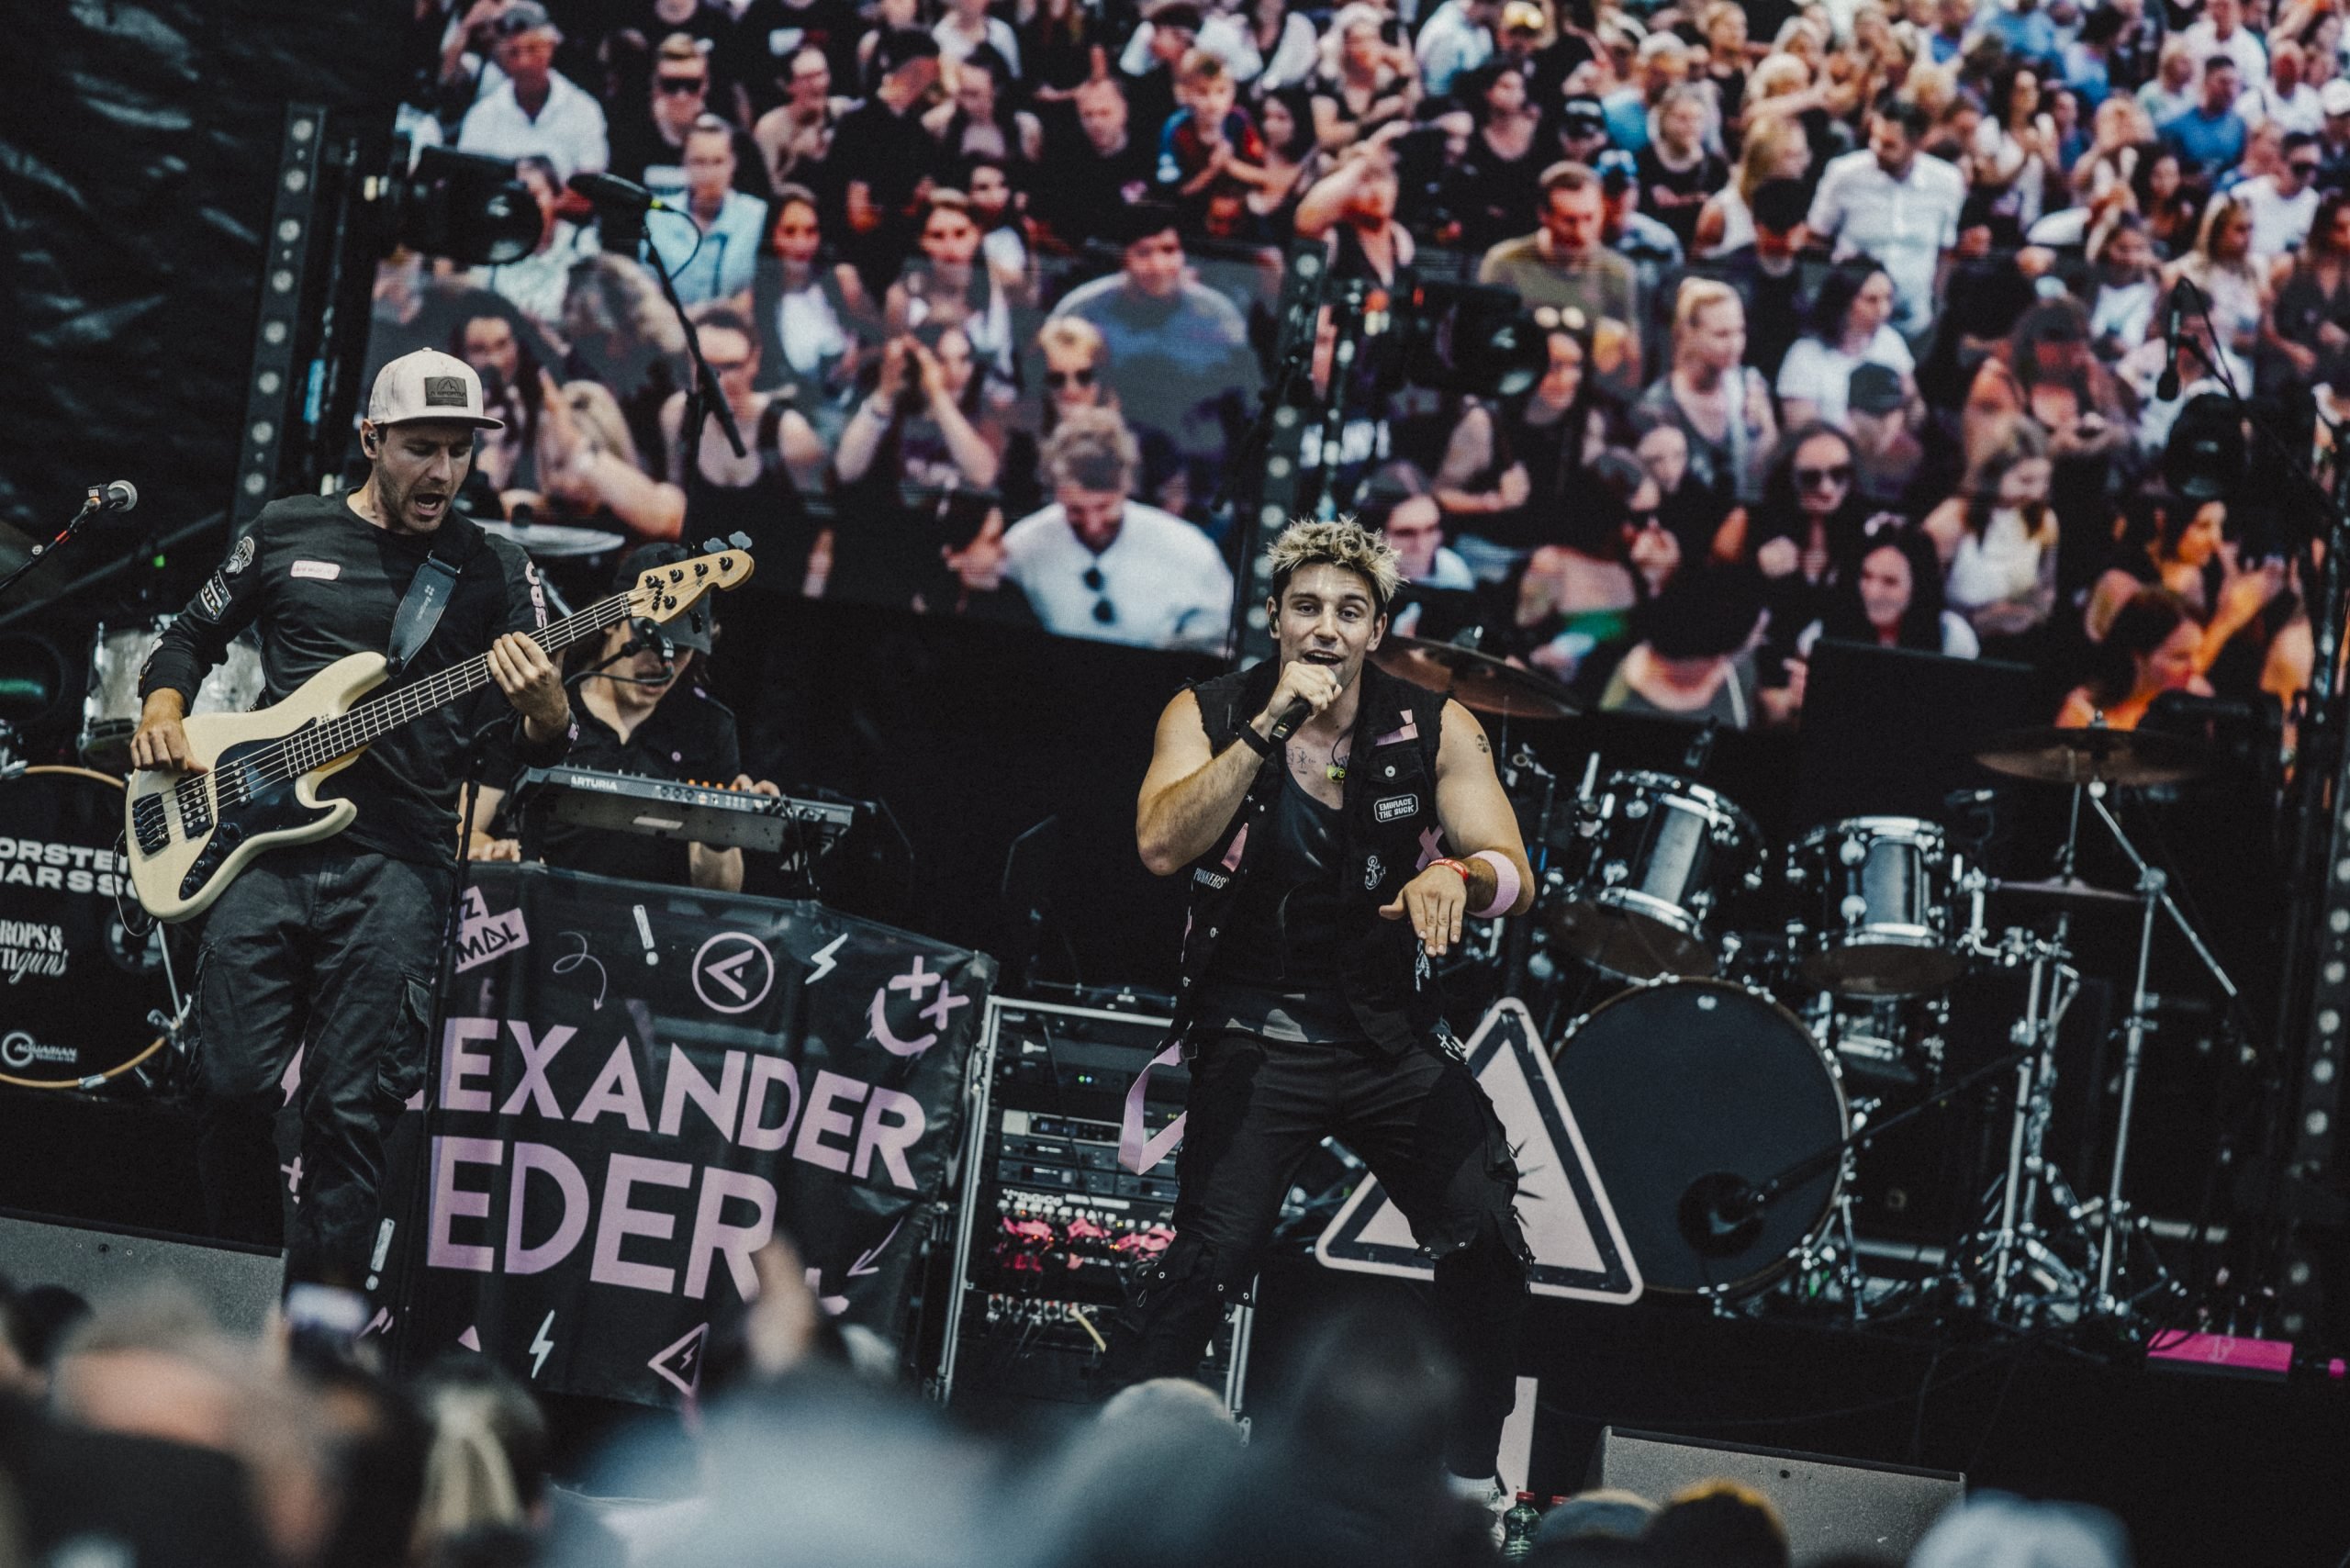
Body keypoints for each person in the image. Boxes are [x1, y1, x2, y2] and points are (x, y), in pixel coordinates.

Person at [129, 350, 573, 1292]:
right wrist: (164, 710)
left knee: (350, 1112)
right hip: (256, 846)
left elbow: (537, 743)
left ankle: (319, 1334)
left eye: (459, 452)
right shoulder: (288, 528)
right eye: (422, 448)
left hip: (400, 868)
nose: (443, 472)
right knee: (227, 1085)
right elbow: (189, 636)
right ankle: (243, 1293)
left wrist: (548, 713)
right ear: (371, 439)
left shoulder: (494, 567)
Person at [1118, 516, 1534, 1513]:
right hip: (1255, 1028)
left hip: (1387, 1032)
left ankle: (1469, 1483)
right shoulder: (1208, 711)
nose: (1326, 627)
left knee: (1484, 1236)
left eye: (1350, 611)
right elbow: (1161, 844)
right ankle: (1120, 1466)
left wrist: (1459, 877)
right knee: (1204, 1263)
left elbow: (1514, 869)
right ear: (1274, 618)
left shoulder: (1436, 725)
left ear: (1376, 630)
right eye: (1306, 606)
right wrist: (1265, 728)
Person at [467, 544, 773, 890]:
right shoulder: (538, 703)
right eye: (651, 641)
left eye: (682, 649)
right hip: (533, 907)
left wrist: (722, 829)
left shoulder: (708, 727)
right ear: (611, 622)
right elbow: (465, 830)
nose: (664, 664)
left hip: (651, 920)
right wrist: (497, 854)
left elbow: (721, 890)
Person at [1050, 206, 1261, 494]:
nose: (1159, 265)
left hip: (1199, 472)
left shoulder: (1219, 317)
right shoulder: (1081, 311)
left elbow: (1248, 407)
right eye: (1144, 253)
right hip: (1106, 474)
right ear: (1123, 257)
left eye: (1169, 250)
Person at [1000, 409, 1234, 650]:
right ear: (1057, 494)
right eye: (1076, 510)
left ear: (1126, 486)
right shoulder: (1022, 546)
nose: (1092, 525)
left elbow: (1220, 628)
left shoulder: (1188, 548)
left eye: (1104, 507)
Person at [1806, 98, 1966, 337]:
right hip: (1852, 321)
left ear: (1916, 143)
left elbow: (1945, 250)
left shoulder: (1948, 181)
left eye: (1889, 144)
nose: (1877, 148)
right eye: (1874, 138)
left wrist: (1936, 304)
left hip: (1913, 319)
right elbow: (1816, 238)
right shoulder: (1844, 174)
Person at [1478, 162, 1643, 386]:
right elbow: (1482, 345)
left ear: (1603, 210)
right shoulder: (1506, 263)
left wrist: (1618, 350)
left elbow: (1633, 368)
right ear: (1543, 215)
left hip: (1584, 388)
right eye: (1569, 220)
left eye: (1590, 218)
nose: (1581, 233)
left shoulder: (1617, 272)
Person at [1637, 280, 1776, 513]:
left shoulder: (1751, 387)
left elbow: (1768, 480)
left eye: (1740, 331)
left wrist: (1765, 427)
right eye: (1721, 334)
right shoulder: (1657, 407)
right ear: (1689, 333)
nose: (1735, 344)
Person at [1924, 420, 2062, 650]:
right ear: (1993, 473)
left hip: (2019, 643)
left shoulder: (2044, 521)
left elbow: (2046, 591)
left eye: (2044, 481)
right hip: (1955, 642)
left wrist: (2027, 613)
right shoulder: (1951, 521)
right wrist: (1979, 619)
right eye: (2026, 481)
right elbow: (1923, 599)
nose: (2036, 493)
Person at [454, 2, 610, 182]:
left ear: (550, 47)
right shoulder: (482, 116)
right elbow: (467, 182)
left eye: (533, 49)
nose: (524, 62)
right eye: (514, 52)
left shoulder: (584, 111)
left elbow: (590, 184)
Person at [1775, 262, 1918, 430]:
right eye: (1871, 300)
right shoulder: (1804, 355)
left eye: (1888, 298)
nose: (1883, 310)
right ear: (1844, 302)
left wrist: (1908, 408)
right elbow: (1802, 430)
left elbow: (1914, 406)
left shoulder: (1890, 340)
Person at [645, 116, 769, 306]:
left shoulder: (757, 216)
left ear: (733, 164)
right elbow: (649, 287)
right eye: (699, 162)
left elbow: (763, 287)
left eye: (718, 161)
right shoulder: (657, 217)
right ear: (685, 164)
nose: (709, 173)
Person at [1796, 530, 1982, 657]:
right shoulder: (1822, 633)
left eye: (1890, 582)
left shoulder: (1952, 637)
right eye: (1866, 576)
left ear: (1917, 589)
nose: (1873, 593)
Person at [2055, 586, 2209, 726]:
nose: (2194, 667)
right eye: (2180, 657)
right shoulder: (2088, 713)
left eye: (2198, 653)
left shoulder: (2193, 705)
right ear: (2138, 655)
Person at [1709, 179, 1815, 382]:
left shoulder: (1818, 273)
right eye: (1775, 230)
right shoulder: (1725, 272)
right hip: (1738, 374)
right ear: (1756, 226)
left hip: (1802, 379)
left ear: (1804, 229)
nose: (1782, 239)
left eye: (1790, 229)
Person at [2159, 55, 2250, 175]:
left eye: (2235, 83)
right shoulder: (2176, 126)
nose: (2230, 91)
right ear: (2206, 82)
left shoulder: (2239, 126)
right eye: (2223, 83)